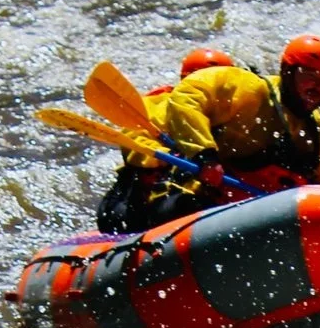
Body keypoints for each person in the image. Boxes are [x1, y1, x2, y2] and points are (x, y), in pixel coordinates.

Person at [148, 34, 320, 223]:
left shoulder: (315, 126)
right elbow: (186, 97)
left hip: (265, 215)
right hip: (204, 203)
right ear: (287, 71)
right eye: (310, 75)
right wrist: (204, 155)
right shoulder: (250, 90)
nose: (318, 86)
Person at [95, 47, 237, 233]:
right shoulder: (157, 107)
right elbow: (135, 142)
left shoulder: (238, 114)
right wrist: (166, 155)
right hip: (135, 205)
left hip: (199, 198)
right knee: (188, 205)